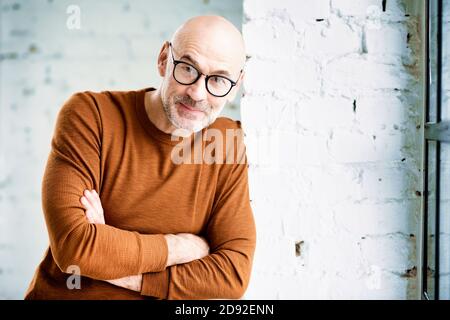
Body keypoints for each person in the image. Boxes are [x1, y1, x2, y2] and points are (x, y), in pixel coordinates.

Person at [24, 15, 256, 300]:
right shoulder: (90, 115)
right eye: (187, 68)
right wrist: (180, 248)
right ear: (163, 60)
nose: (197, 93)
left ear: (236, 85)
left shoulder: (226, 142)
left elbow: (231, 276)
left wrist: (111, 254)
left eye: (218, 79)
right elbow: (75, 247)